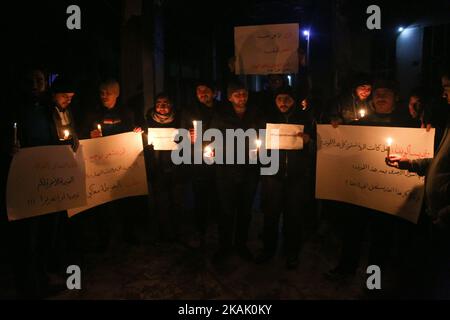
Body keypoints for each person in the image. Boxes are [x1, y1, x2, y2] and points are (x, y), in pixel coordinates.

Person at [386, 70, 450, 298]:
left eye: (448, 88)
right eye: (443, 89)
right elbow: (439, 164)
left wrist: (445, 213)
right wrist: (407, 163)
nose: (445, 95)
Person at [255, 86, 315, 269]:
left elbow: (318, 146)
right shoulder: (266, 119)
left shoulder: (306, 119)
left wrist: (309, 141)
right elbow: (257, 144)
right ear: (275, 100)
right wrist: (259, 147)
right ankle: (268, 249)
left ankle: (292, 252)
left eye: (287, 99)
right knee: (270, 215)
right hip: (272, 176)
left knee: (294, 216)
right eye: (279, 98)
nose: (283, 102)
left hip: (297, 177)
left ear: (294, 100)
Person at [210, 81, 265, 266]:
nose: (242, 97)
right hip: (226, 171)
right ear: (229, 97)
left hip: (249, 170)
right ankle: (225, 246)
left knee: (245, 210)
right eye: (237, 94)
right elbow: (211, 137)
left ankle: (241, 245)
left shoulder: (256, 113)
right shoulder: (220, 114)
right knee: (226, 210)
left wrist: (261, 147)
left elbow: (263, 135)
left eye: (244, 94)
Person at [181, 80, 221, 248]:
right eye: (198, 90)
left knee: (219, 195)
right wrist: (187, 137)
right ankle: (201, 229)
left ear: (213, 92)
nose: (202, 93)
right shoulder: (189, 111)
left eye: (206, 90)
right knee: (200, 196)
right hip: (199, 162)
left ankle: (218, 229)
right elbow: (180, 136)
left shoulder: (222, 108)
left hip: (220, 160)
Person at [145, 93, 186, 243]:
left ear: (171, 105)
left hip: (177, 168)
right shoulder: (147, 121)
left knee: (177, 202)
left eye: (165, 102)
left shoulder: (181, 120)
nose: (162, 106)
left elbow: (186, 143)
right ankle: (162, 234)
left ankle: (177, 234)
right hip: (157, 168)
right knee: (160, 203)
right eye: (158, 103)